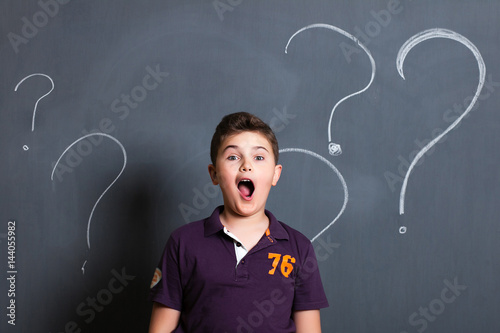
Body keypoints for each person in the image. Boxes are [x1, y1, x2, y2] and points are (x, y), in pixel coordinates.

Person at [149, 112, 329, 332]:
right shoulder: (183, 242)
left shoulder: (299, 247)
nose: (246, 166)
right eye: (233, 157)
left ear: (275, 174)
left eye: (259, 157)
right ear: (214, 174)